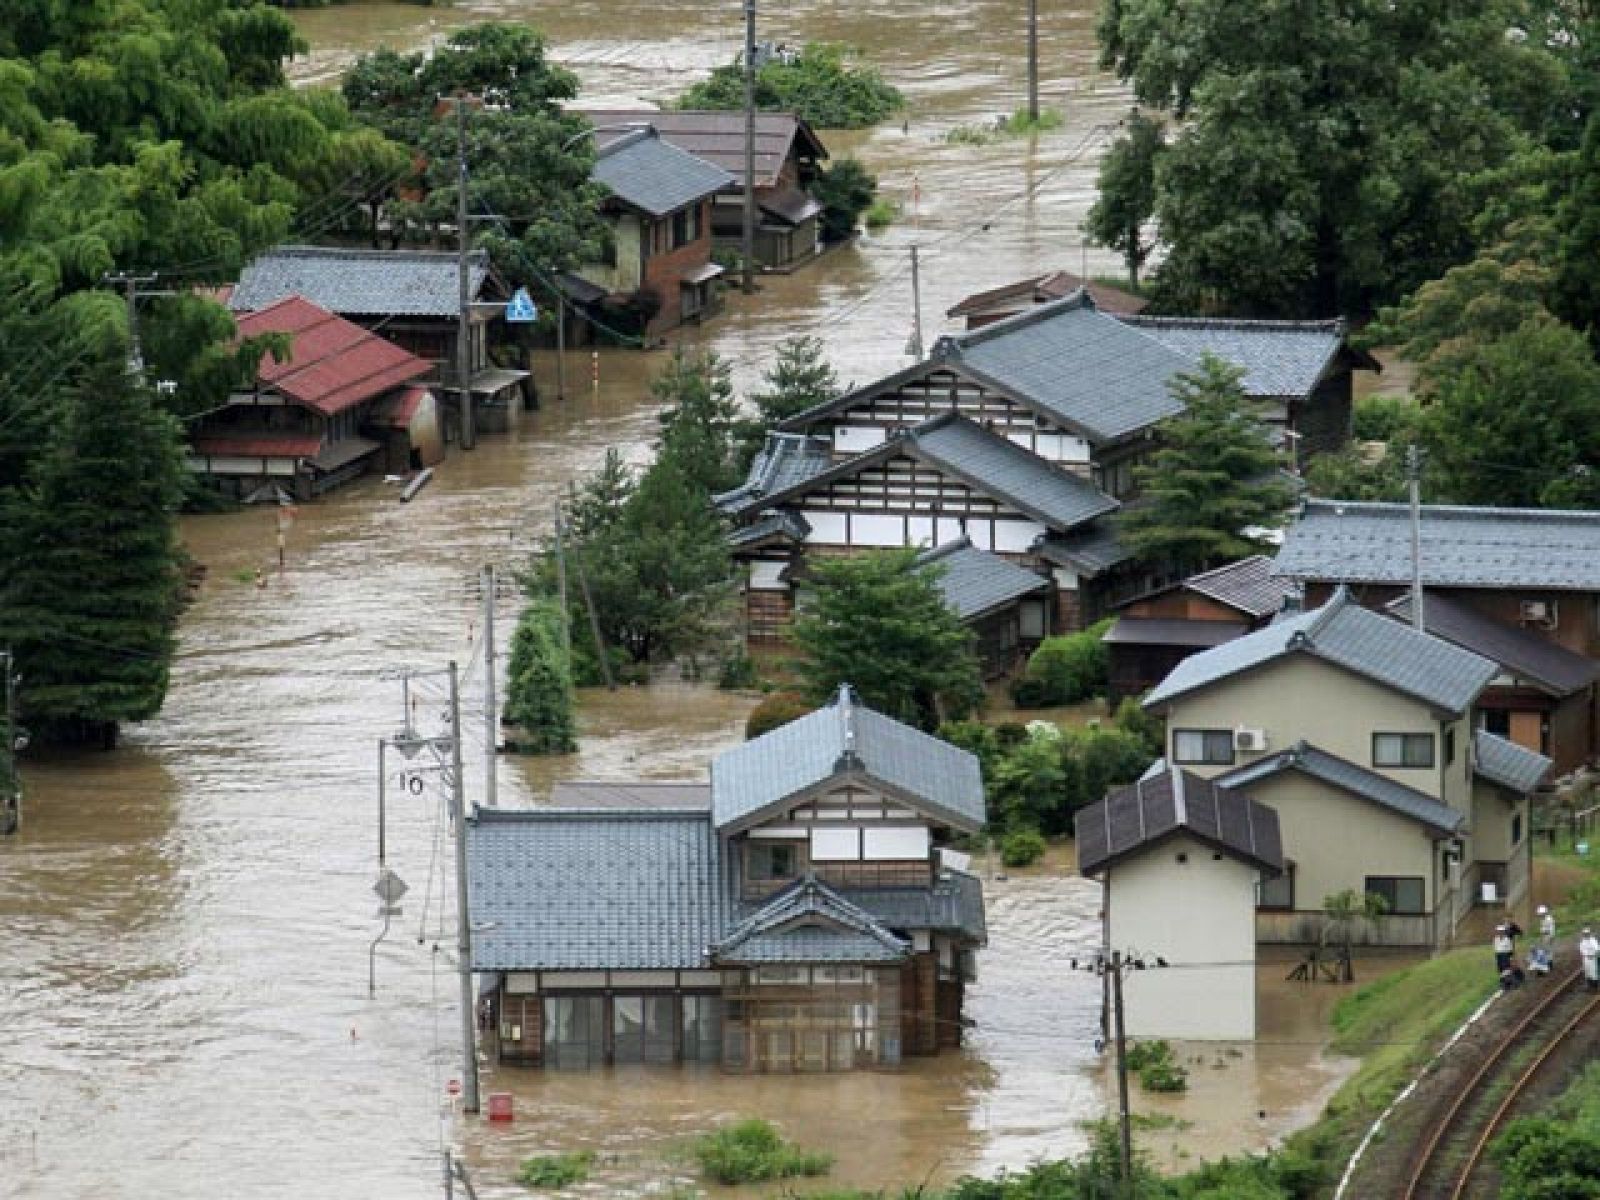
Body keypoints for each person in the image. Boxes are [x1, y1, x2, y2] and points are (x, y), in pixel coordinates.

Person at [1582, 927, 1600, 992]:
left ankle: (1595, 986)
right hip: (1586, 958)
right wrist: (1586, 954)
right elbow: (1582, 949)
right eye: (1585, 934)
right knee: (1587, 971)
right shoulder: (1583, 941)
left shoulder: (1593, 940)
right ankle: (1589, 985)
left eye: (1587, 934)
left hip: (1592, 958)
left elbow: (1597, 949)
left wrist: (1592, 954)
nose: (1586, 935)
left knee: (1593, 972)